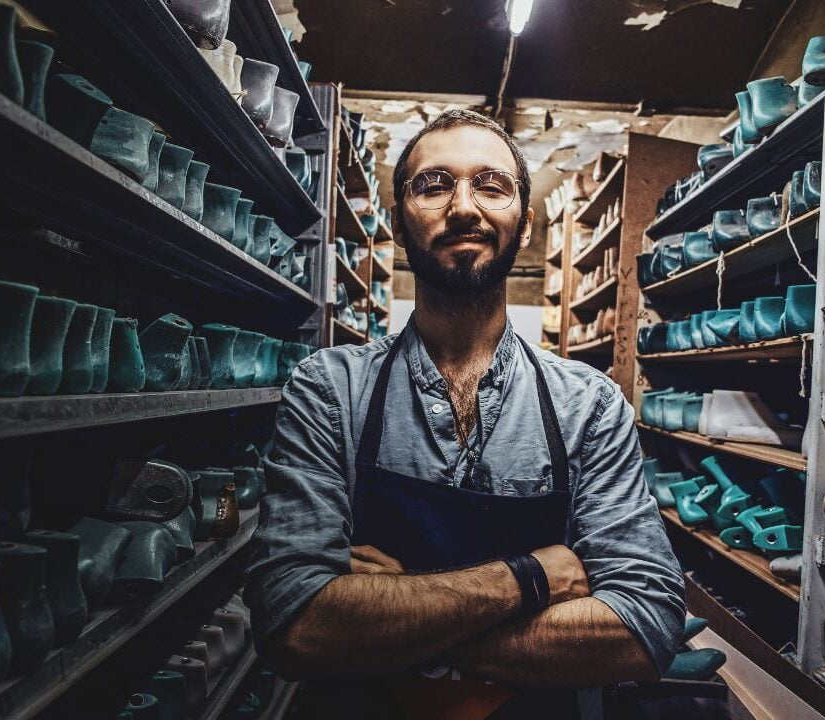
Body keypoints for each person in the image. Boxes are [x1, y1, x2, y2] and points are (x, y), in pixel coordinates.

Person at [244, 109, 686, 719]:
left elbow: (645, 626)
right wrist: (532, 579)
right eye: (433, 185)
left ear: (523, 223)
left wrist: (392, 610)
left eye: (491, 185)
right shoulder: (331, 388)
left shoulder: (589, 403)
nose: (463, 207)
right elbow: (293, 624)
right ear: (400, 221)